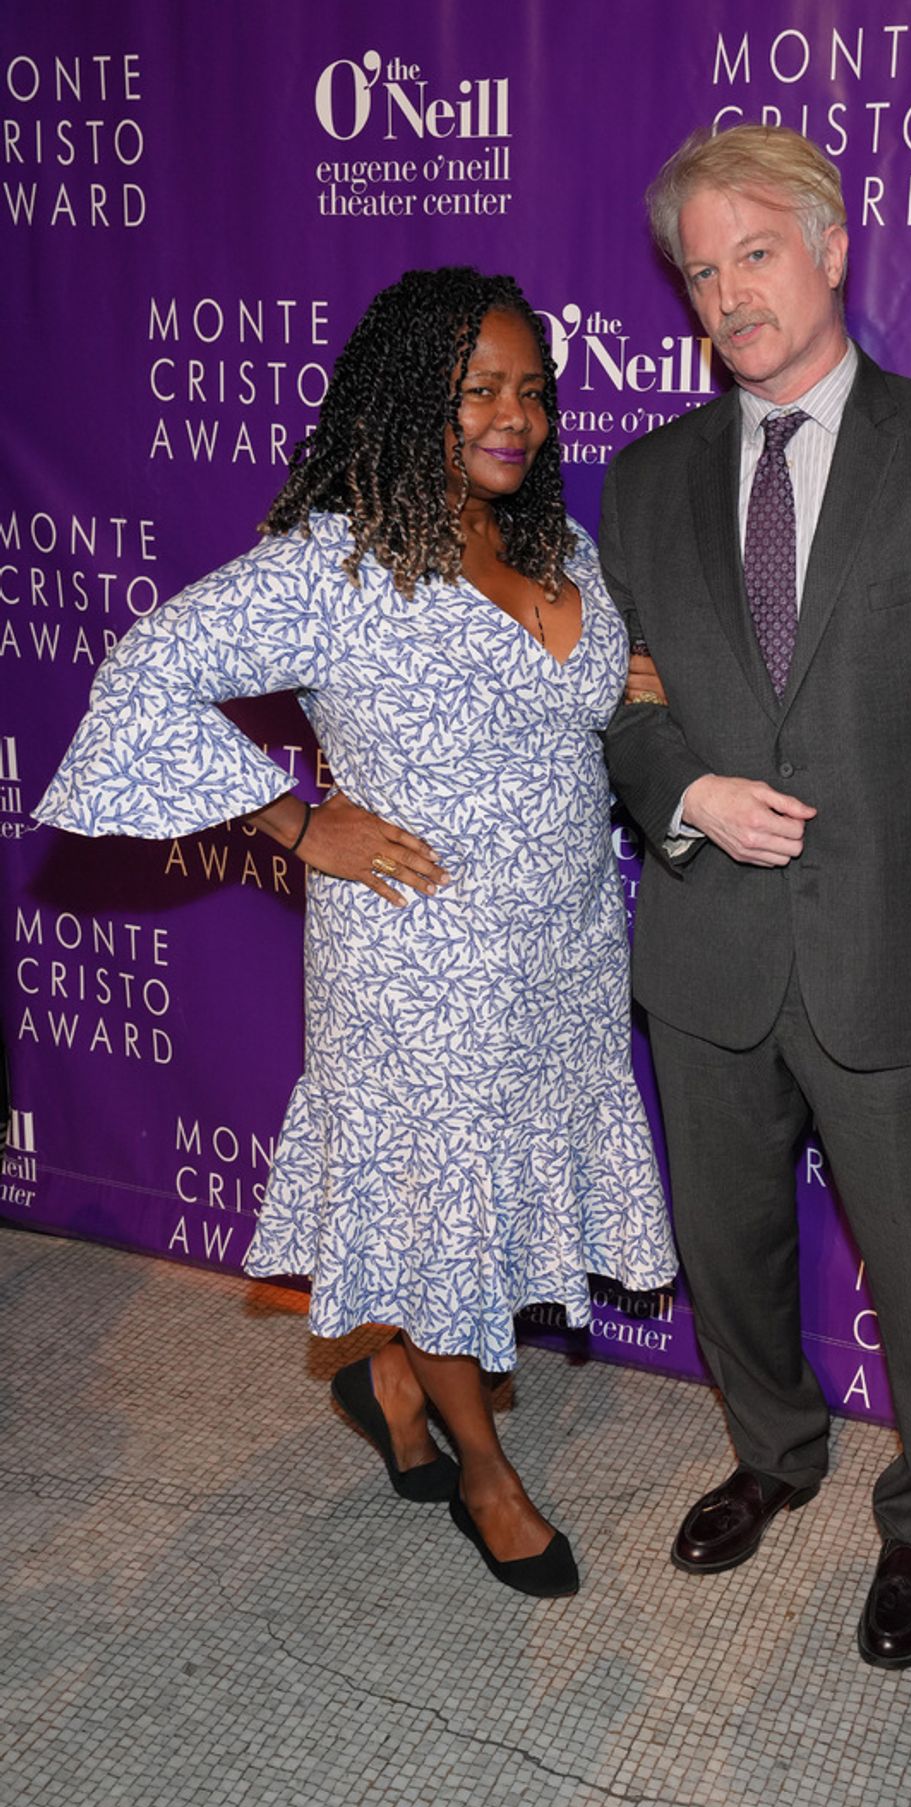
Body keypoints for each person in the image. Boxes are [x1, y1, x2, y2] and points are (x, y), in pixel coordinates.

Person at [36, 266, 677, 1599]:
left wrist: (611, 679)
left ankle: (390, 1366)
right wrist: (296, 819)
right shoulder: (336, 564)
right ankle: (486, 1480)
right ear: (402, 406)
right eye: (476, 394)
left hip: (558, 951)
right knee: (437, 1209)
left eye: (530, 392)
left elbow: (553, 688)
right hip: (417, 957)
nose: (513, 418)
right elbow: (146, 669)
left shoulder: (557, 546)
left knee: (464, 1210)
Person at [602, 127, 911, 1666]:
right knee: (729, 1247)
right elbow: (619, 699)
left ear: (833, 247)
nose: (729, 294)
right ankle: (772, 1450)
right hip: (708, 951)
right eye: (701, 271)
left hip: (896, 950)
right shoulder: (648, 482)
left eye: (757, 253)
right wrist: (685, 792)